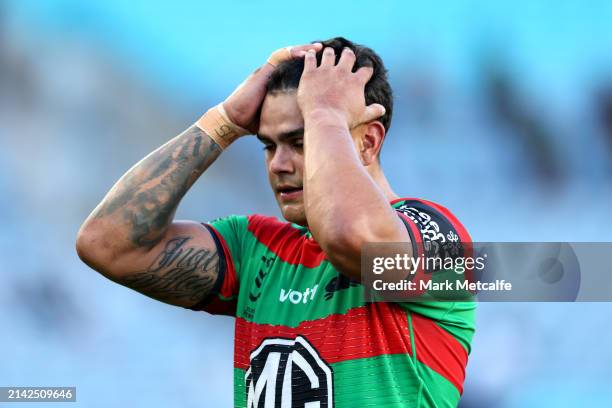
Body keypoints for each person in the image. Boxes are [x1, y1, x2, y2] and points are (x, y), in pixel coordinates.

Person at [76, 37, 476, 408]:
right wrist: (224, 122)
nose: (279, 165)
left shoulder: (438, 239)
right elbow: (106, 244)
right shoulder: (255, 249)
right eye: (269, 146)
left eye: (302, 142)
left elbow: (349, 236)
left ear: (368, 142)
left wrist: (325, 113)